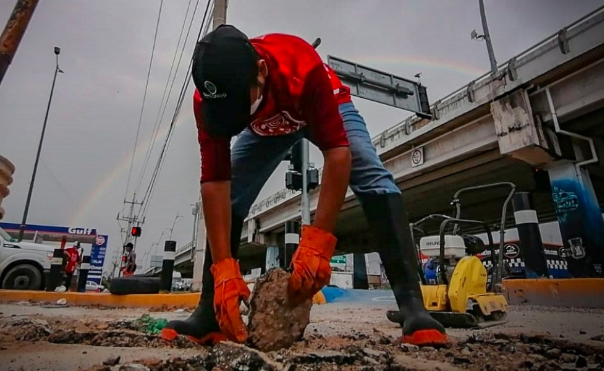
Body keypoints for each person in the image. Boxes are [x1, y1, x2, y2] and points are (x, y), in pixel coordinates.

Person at [160, 25, 447, 347]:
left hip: (321, 107)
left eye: (238, 107)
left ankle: (413, 309)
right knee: (233, 194)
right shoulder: (208, 97)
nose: (231, 120)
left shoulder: (298, 65)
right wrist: (223, 267)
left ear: (261, 71)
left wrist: (317, 243)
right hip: (267, 127)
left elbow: (338, 153)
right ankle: (209, 317)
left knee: (369, 171)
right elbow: (215, 181)